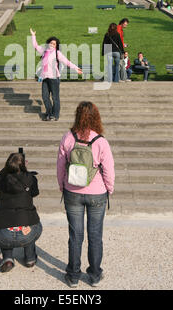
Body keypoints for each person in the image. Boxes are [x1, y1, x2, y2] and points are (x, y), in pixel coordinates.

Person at [57, 101, 115, 288]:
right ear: (95, 117)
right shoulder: (101, 141)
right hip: (97, 192)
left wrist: (62, 185)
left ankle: (73, 275)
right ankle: (95, 275)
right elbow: (109, 169)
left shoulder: (68, 137)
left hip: (72, 191)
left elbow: (60, 165)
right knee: (95, 235)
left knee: (75, 235)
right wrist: (109, 188)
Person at [0, 152, 42, 273]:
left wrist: (6, 169)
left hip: (4, 234)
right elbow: (35, 193)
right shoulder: (30, 178)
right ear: (24, 165)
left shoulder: (2, 179)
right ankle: (30, 258)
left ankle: (8, 259)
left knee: (3, 225)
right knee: (32, 223)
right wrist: (25, 172)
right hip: (27, 231)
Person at [30, 28, 82, 121]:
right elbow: (35, 46)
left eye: (54, 44)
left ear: (56, 46)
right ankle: (49, 113)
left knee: (55, 97)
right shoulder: (44, 51)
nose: (52, 45)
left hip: (54, 78)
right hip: (45, 78)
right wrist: (33, 35)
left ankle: (55, 114)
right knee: (45, 97)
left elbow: (67, 61)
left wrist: (75, 68)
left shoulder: (57, 53)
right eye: (51, 43)